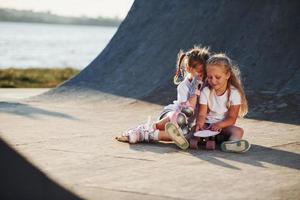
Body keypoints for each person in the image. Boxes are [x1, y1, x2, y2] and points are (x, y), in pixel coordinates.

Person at [116, 46, 210, 150]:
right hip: (172, 114)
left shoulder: (205, 85)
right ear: (188, 68)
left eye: (205, 74)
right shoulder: (184, 86)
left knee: (185, 135)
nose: (203, 77)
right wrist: (194, 92)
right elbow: (188, 111)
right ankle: (146, 129)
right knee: (180, 118)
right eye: (200, 73)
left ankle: (150, 135)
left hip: (182, 125)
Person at [195, 53, 251, 153]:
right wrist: (200, 124)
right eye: (210, 77)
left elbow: (232, 119)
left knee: (238, 131)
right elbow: (202, 114)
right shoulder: (206, 91)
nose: (213, 81)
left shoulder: (234, 93)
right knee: (193, 130)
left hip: (224, 126)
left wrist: (219, 125)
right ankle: (184, 139)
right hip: (207, 125)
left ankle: (232, 144)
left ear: (227, 75)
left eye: (217, 77)